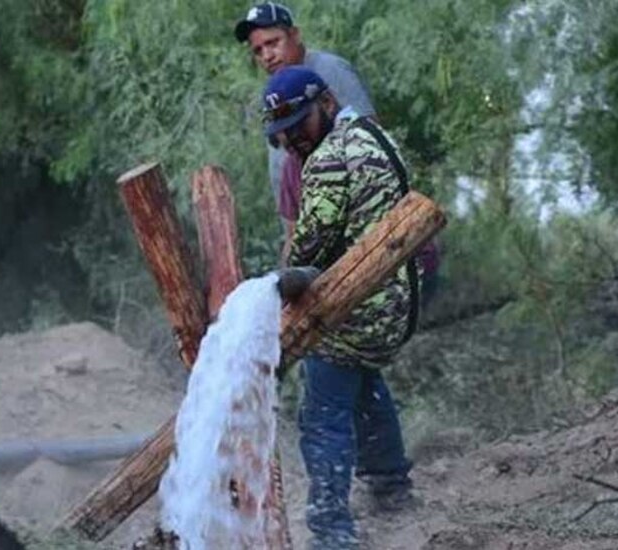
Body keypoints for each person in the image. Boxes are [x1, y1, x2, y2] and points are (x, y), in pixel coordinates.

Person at [262, 66, 420, 549]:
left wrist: (281, 283)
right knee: (365, 382)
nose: (292, 142)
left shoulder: (329, 158)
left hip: (356, 308)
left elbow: (309, 247)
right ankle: (391, 485)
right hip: (394, 303)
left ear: (326, 102)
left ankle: (332, 532)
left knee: (324, 414)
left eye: (298, 127)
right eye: (282, 135)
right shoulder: (374, 136)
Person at [234, 2, 376, 261]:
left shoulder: (330, 70)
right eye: (258, 50)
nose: (267, 55)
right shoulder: (273, 97)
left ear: (295, 35)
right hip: (303, 230)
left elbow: (371, 136)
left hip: (360, 233)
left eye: (273, 42)